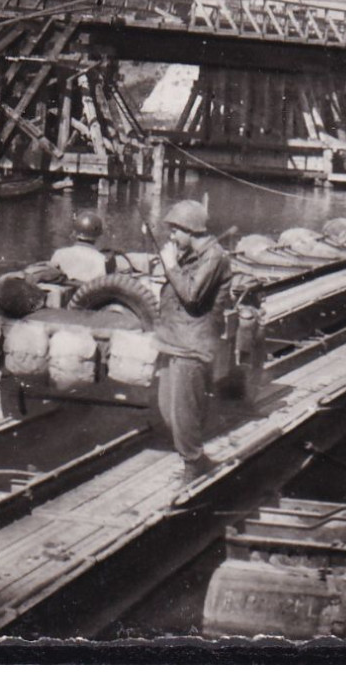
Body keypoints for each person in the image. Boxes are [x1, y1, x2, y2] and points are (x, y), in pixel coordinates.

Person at [154, 199, 233, 481]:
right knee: (168, 410)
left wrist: (171, 266)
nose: (172, 237)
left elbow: (191, 295)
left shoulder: (214, 257)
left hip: (193, 345)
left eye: (176, 231)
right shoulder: (194, 255)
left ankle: (194, 467)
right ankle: (195, 457)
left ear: (191, 230)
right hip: (174, 340)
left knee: (184, 412)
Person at [49, 209, 110, 283]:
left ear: (75, 233)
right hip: (91, 293)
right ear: (98, 236)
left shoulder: (59, 254)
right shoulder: (103, 260)